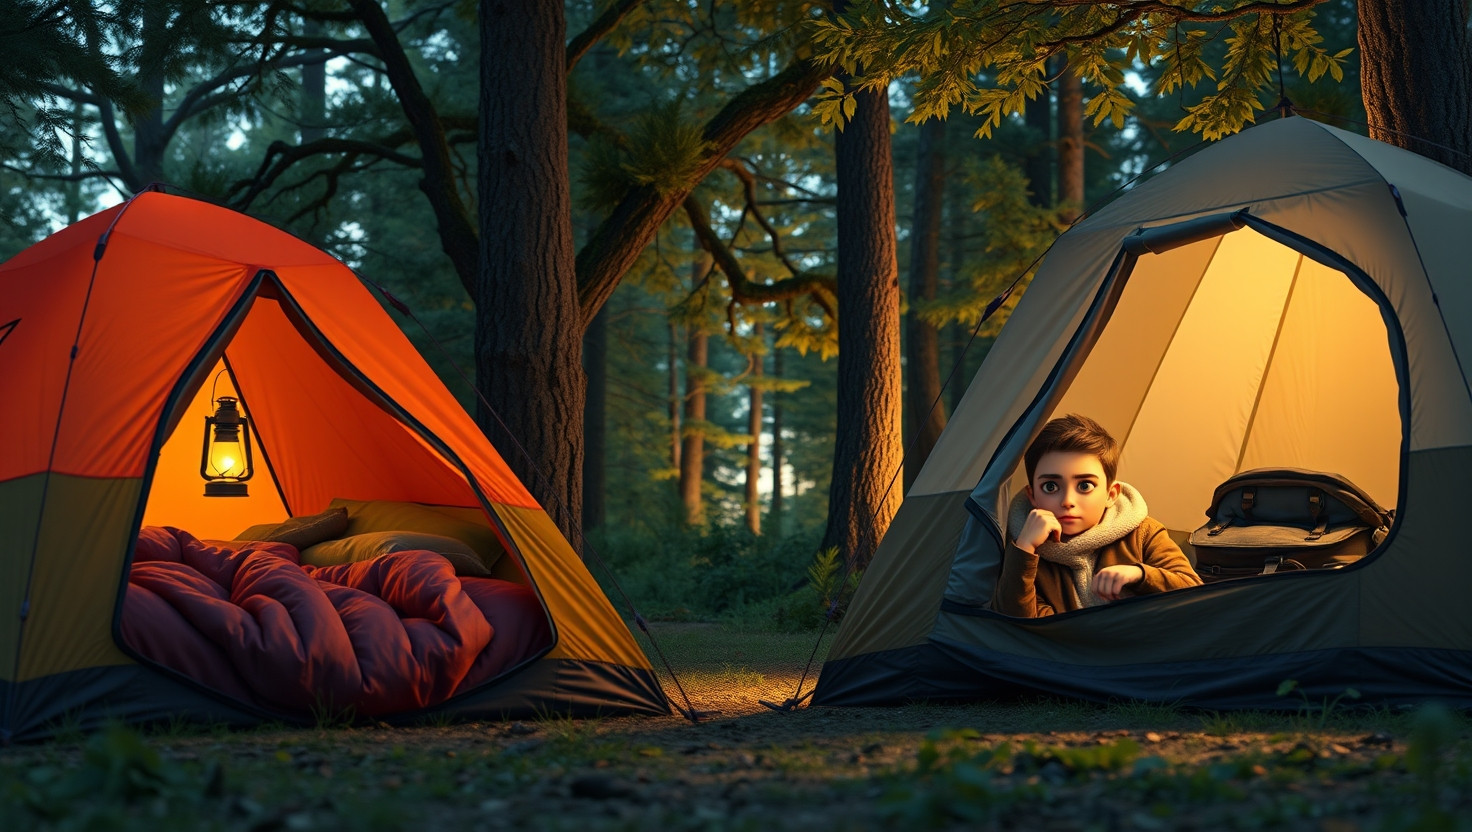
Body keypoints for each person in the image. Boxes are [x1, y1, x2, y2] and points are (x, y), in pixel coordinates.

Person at [992, 413, 1201, 617]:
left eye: (1084, 486)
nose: (1067, 501)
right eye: (1050, 487)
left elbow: (1195, 594)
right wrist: (1025, 549)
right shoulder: (1022, 549)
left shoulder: (1144, 533)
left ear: (1111, 494)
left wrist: (1140, 575)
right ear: (1033, 496)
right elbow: (1020, 626)